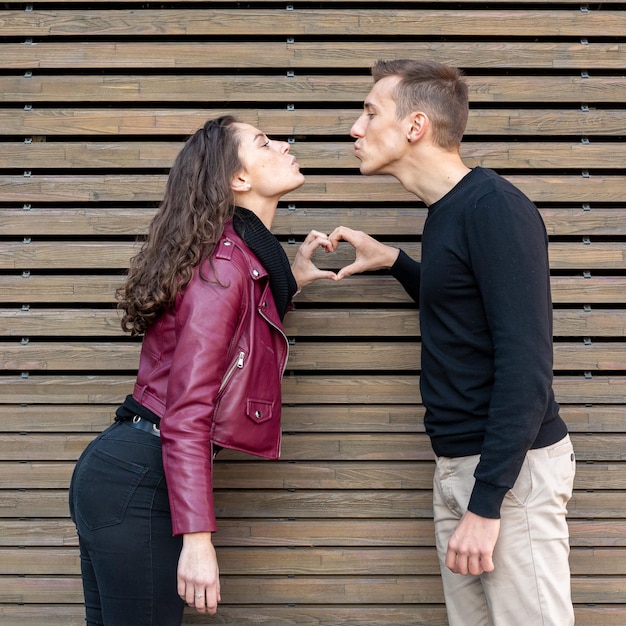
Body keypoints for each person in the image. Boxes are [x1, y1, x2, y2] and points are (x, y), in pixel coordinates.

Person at [329, 60, 575, 625]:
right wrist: (394, 262)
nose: (354, 129)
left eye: (369, 112)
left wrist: (487, 504)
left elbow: (527, 365)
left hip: (507, 475)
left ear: (415, 126)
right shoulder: (446, 214)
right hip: (460, 466)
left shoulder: (495, 208)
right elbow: (465, 310)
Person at [69, 115, 338, 625]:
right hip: (141, 476)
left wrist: (291, 282)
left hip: (129, 469)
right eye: (264, 142)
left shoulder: (235, 260)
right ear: (238, 180)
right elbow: (189, 409)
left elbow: (235, 342)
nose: (284, 144)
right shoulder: (225, 267)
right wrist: (197, 539)